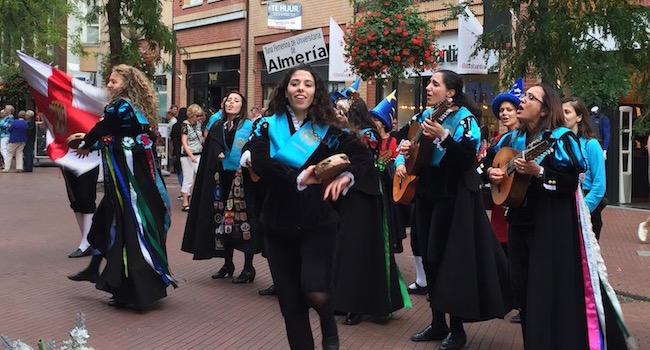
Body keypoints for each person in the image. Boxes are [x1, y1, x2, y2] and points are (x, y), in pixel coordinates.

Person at [485, 84, 627, 349]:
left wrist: (539, 172)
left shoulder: (560, 139)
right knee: (522, 290)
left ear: (545, 110)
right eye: (523, 96)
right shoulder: (510, 140)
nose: (522, 100)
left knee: (544, 293)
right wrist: (492, 174)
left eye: (530, 97)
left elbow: (570, 182)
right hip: (518, 224)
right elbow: (489, 166)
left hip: (548, 228)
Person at [248, 64, 373, 350]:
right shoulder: (265, 125)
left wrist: (346, 175)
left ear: (316, 91)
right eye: (295, 83)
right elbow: (262, 164)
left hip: (318, 223)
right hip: (278, 224)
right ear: (285, 90)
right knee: (291, 305)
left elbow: (363, 157)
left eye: (307, 83)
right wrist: (299, 178)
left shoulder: (329, 129)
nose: (301, 88)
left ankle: (329, 324)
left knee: (316, 291)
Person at [396, 70, 510, 350]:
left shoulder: (465, 120)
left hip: (453, 197)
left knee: (450, 262)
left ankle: (456, 330)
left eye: (435, 83)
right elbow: (405, 142)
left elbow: (465, 160)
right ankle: (438, 323)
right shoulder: (424, 116)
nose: (429, 87)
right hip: (427, 193)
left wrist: (445, 137)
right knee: (430, 257)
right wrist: (403, 153)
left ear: (450, 92)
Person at [72, 64, 176, 308]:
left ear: (126, 84)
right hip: (131, 179)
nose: (109, 85)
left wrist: (86, 143)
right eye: (109, 81)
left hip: (128, 183)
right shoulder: (136, 107)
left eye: (114, 82)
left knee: (128, 226)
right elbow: (117, 136)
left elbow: (103, 129)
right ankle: (95, 269)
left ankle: (134, 291)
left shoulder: (121, 105)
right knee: (105, 220)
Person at [332, 92, 410, 326]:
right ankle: (344, 299)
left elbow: (364, 162)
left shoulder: (366, 135)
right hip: (347, 196)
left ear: (351, 114)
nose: (336, 114)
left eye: (340, 111)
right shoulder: (340, 134)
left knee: (364, 248)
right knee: (345, 246)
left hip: (366, 196)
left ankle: (363, 304)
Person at [181, 91, 262, 283]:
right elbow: (210, 148)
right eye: (229, 100)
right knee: (224, 222)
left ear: (242, 106)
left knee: (243, 221)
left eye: (236, 101)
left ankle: (248, 268)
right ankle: (228, 264)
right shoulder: (217, 126)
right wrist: (216, 153)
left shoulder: (250, 127)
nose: (231, 103)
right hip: (222, 181)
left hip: (243, 181)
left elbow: (255, 148)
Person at [563, 96, 607, 239]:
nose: (562, 116)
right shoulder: (559, 143)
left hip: (586, 205)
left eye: (567, 112)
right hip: (565, 205)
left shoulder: (591, 144)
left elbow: (599, 184)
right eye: (560, 112)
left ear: (579, 116)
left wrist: (583, 209)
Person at [179, 104, 204, 211]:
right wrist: (191, 155)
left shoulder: (198, 124)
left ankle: (198, 200)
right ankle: (185, 202)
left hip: (199, 152)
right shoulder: (185, 125)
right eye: (196, 116)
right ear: (191, 115)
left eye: (199, 116)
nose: (198, 118)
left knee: (201, 177)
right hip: (188, 155)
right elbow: (184, 143)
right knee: (188, 178)